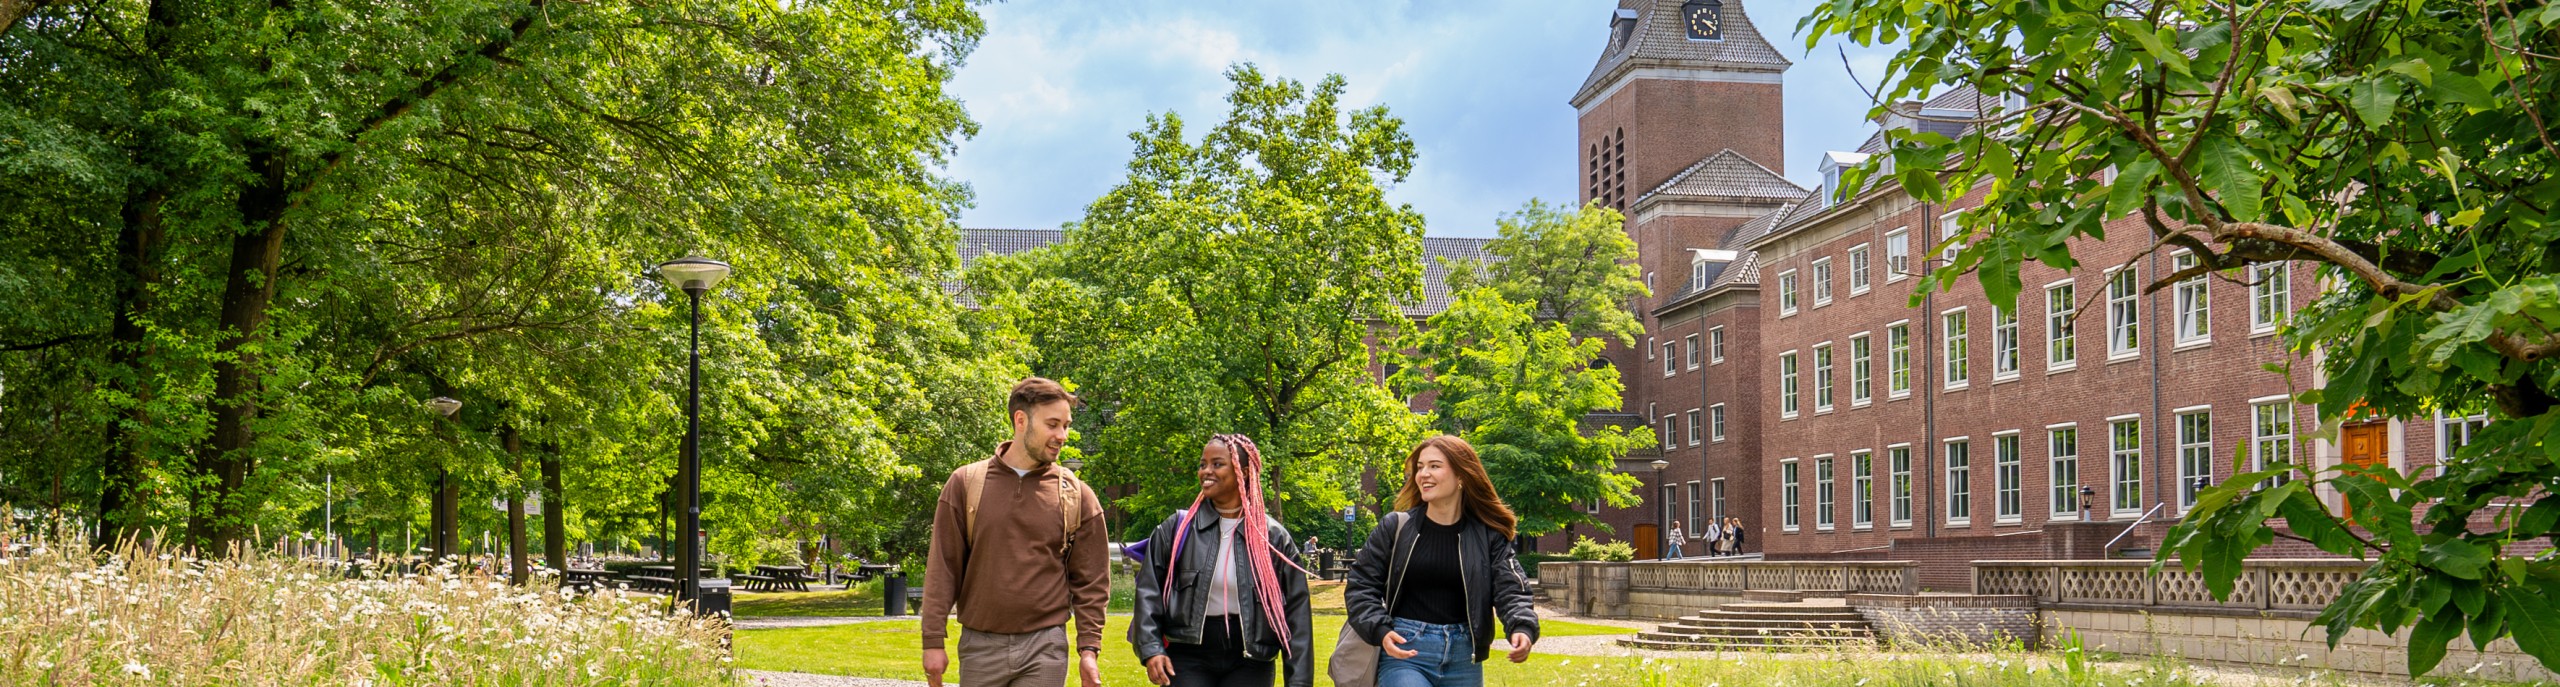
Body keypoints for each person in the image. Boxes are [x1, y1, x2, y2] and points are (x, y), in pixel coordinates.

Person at [919, 377, 1109, 687]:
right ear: (1021, 420)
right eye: (1052, 424)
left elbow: (1092, 581)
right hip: (980, 648)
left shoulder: (1076, 494)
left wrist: (1089, 649)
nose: (1062, 435)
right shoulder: (966, 484)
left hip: (1045, 647)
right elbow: (943, 568)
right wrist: (933, 640)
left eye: (1066, 425)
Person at [1344, 435, 1540, 687]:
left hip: (1464, 658)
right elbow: (1361, 585)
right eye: (1420, 467)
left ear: (1461, 476)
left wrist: (1521, 626)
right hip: (1406, 650)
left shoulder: (1488, 535)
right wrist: (1380, 630)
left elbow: (1511, 589)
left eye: (1434, 466)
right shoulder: (1397, 526)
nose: (1423, 474)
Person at [1129, 435, 1315, 687]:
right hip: (1188, 654)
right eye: (1202, 464)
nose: (1206, 471)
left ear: (1245, 472)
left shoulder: (1272, 538)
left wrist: (1299, 682)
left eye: (1217, 464)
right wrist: (1151, 649)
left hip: (1251, 659)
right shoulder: (1177, 529)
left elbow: (1297, 616)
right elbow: (1148, 592)